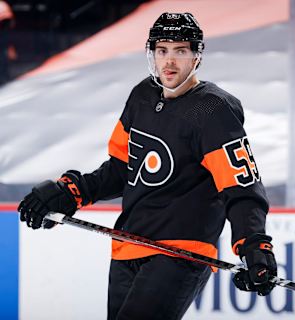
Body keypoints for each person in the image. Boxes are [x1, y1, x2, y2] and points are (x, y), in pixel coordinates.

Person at [17, 12, 277, 320]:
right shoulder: (142, 96)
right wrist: (73, 192)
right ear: (151, 53)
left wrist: (253, 243)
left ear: (196, 56)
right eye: (162, 50)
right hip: (129, 245)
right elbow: (122, 169)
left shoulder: (213, 110)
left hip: (179, 253)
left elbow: (240, 185)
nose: (169, 61)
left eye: (180, 51)